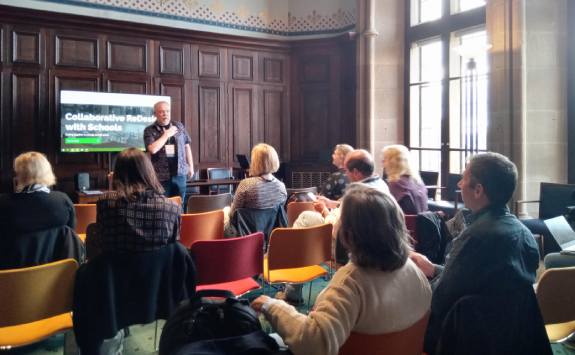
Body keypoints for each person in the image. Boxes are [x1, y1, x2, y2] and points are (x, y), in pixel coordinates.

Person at [251, 186, 431, 355]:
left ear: (348, 234)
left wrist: (272, 306)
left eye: (339, 218)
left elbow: (314, 343)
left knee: (262, 341)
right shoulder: (417, 273)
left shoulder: (350, 284)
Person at [410, 152, 542, 354]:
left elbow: (441, 299)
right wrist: (434, 269)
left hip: (466, 340)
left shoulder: (475, 237)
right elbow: (485, 285)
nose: (459, 184)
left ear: (479, 190)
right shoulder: (524, 234)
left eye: (463, 178)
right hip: (509, 340)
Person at [87, 148, 181, 256]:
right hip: (157, 272)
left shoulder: (105, 203)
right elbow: (173, 251)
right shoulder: (172, 208)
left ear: (117, 174)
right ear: (149, 173)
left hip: (116, 272)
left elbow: (102, 242)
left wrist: (112, 187)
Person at [0, 151, 82, 268]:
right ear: (47, 172)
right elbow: (71, 236)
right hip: (57, 280)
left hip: (11, 282)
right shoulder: (63, 201)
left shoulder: (4, 204)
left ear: (20, 174)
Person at [144, 101, 194, 206]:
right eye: (161, 112)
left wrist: (191, 167)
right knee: (162, 206)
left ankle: (179, 223)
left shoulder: (179, 126)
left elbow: (187, 146)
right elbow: (152, 149)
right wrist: (166, 135)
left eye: (167, 111)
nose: (165, 114)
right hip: (161, 176)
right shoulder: (149, 130)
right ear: (155, 114)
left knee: (180, 205)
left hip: (180, 174)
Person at [315, 149, 390, 217]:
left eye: (346, 171)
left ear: (356, 172)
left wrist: (323, 210)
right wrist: (331, 203)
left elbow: (336, 226)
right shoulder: (381, 183)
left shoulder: (358, 194)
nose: (346, 174)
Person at [228, 143, 287, 216]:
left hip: (249, 227)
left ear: (255, 162)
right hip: (273, 227)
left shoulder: (246, 184)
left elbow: (232, 214)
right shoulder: (281, 187)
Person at [382, 144, 428, 214]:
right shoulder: (417, 181)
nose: (382, 162)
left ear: (392, 162)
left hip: (407, 223)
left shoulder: (396, 183)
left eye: (385, 159)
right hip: (422, 222)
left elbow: (388, 210)